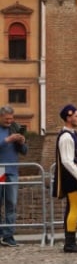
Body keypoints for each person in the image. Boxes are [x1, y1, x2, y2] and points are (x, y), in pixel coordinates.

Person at [53, 104, 77, 253]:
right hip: (71, 177)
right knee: (73, 208)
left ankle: (70, 241)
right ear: (68, 117)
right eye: (76, 116)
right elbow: (67, 161)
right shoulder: (66, 137)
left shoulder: (73, 135)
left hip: (73, 175)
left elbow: (73, 156)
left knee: (72, 208)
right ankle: (70, 243)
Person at [0, 105, 28, 247]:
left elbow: (24, 151)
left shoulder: (15, 128)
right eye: (6, 119)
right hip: (0, 171)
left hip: (12, 171)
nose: (9, 121)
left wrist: (22, 143)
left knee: (11, 204)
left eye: (11, 118)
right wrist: (7, 140)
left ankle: (8, 236)